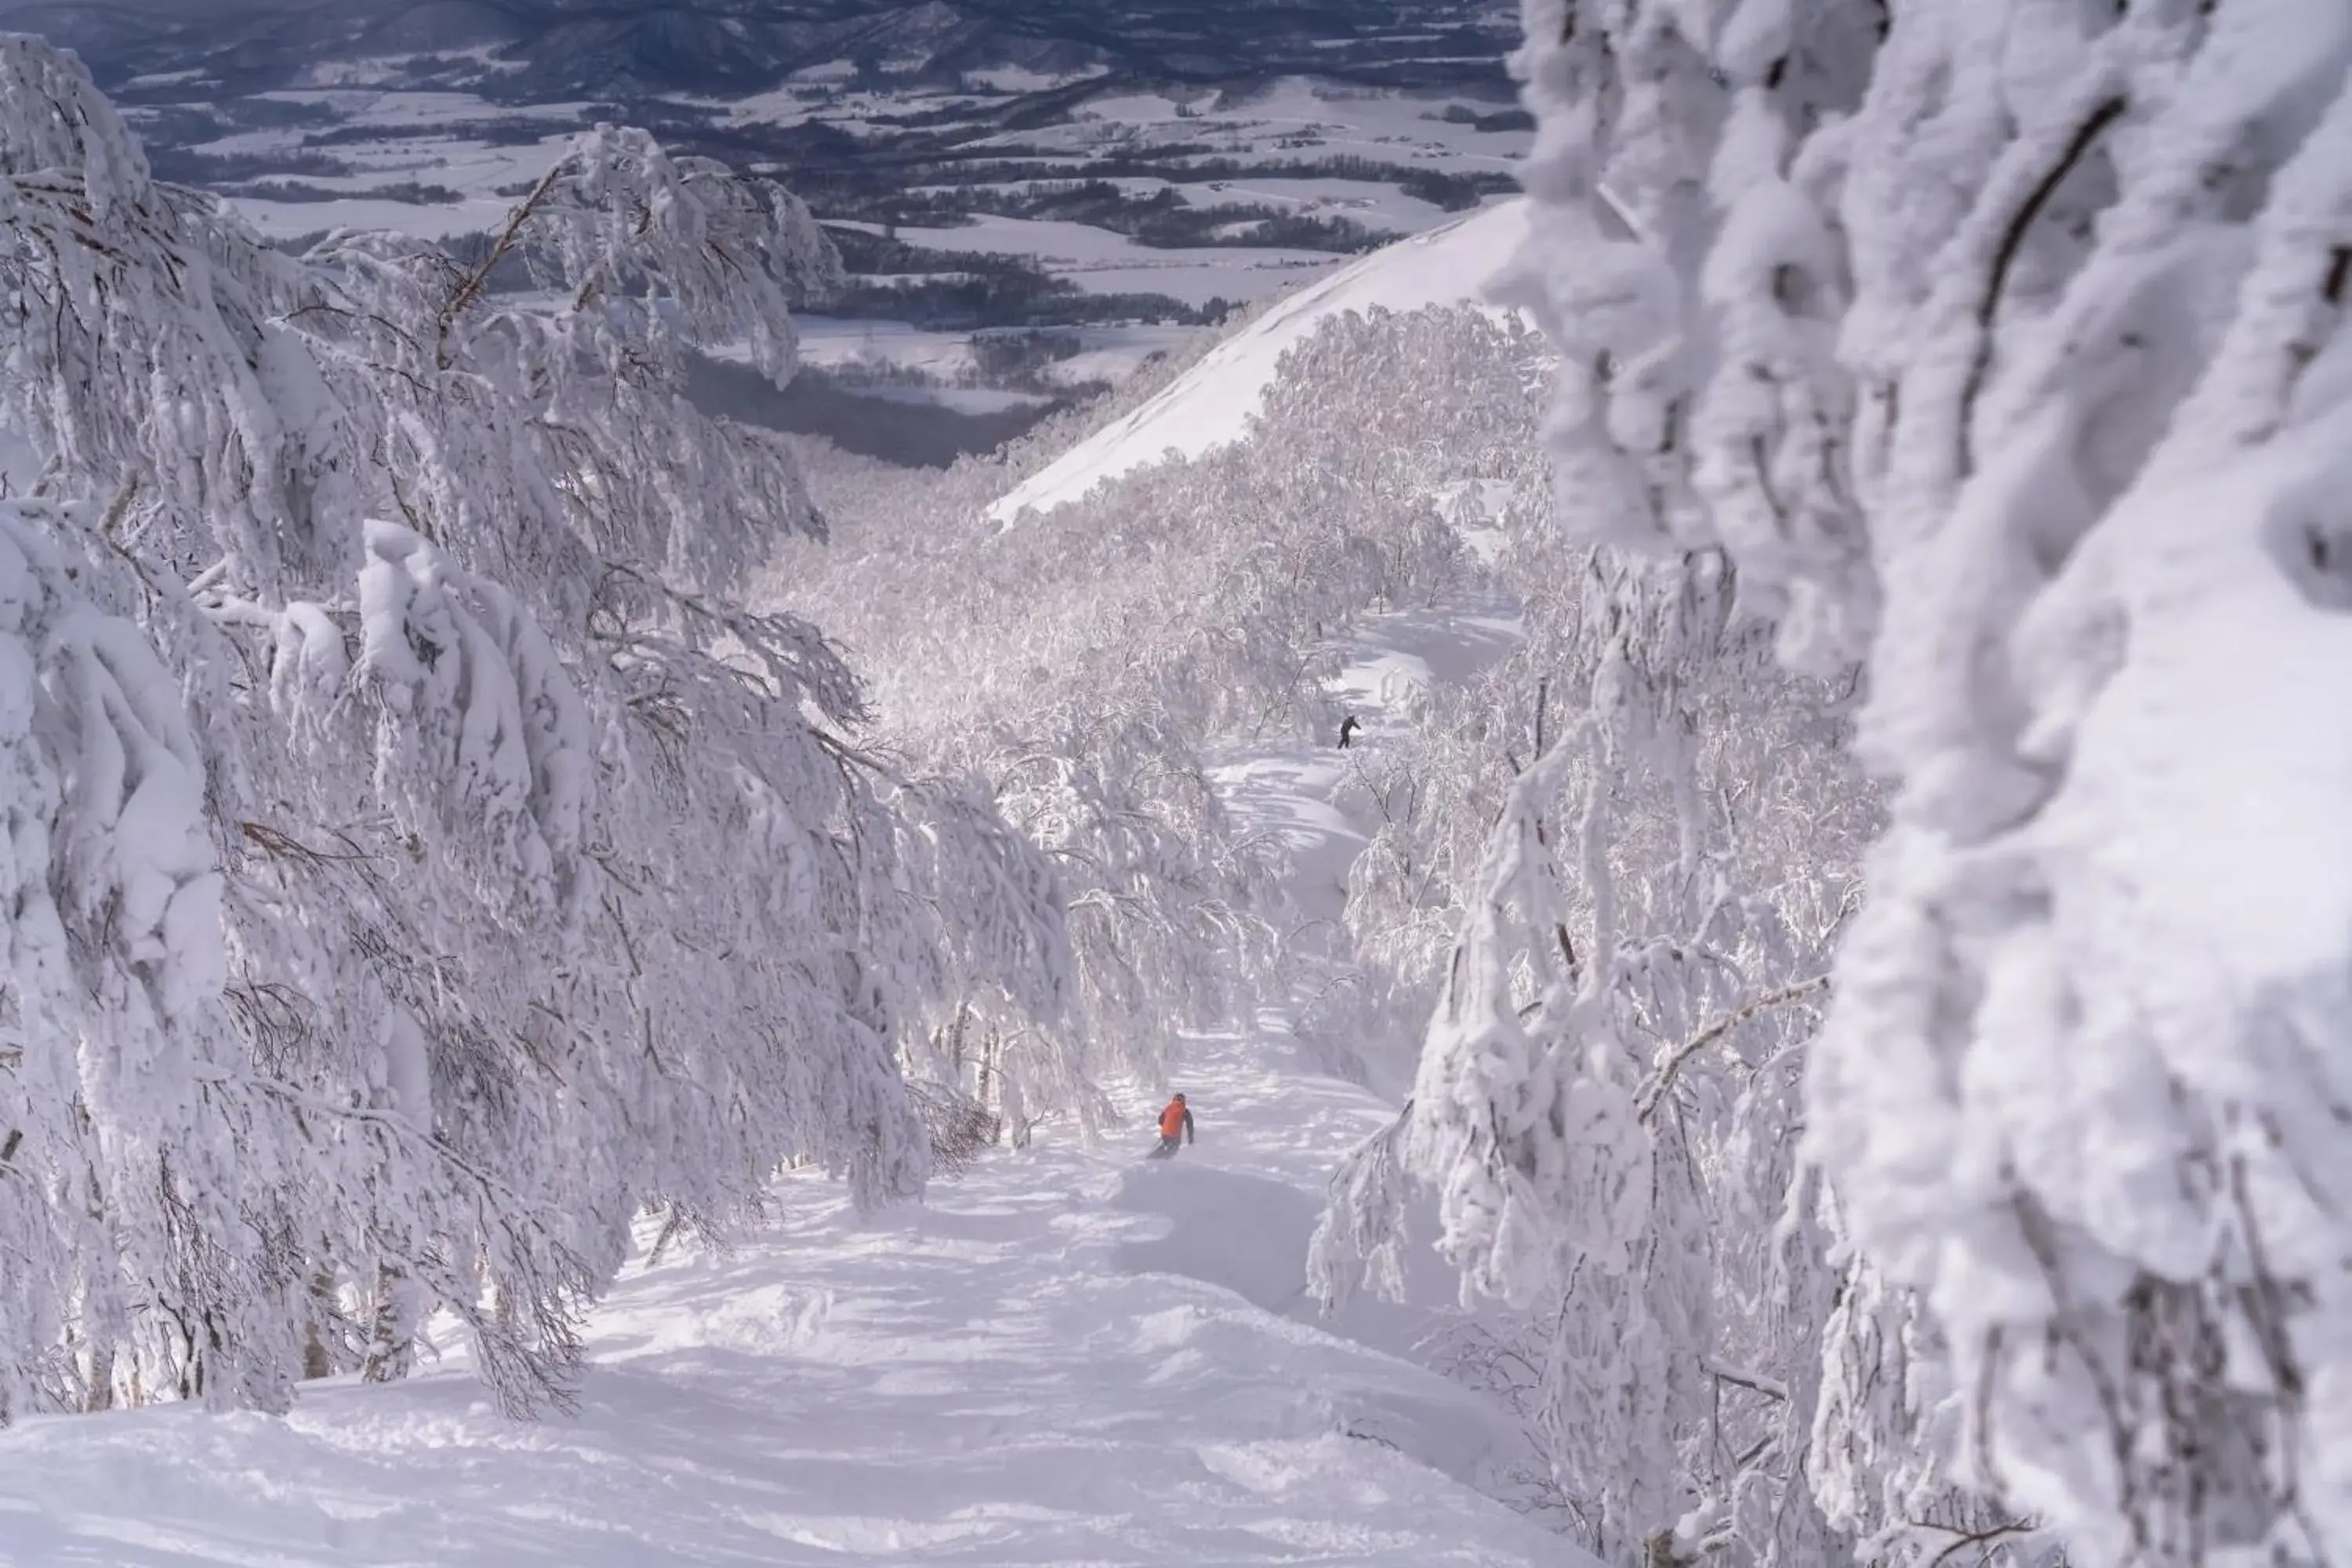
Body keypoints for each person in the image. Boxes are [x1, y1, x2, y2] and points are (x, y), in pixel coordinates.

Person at [1149, 1093, 1194, 1159]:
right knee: (1172, 1151)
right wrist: (1191, 1139)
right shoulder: (1184, 1111)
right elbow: (1190, 1126)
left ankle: (1153, 1158)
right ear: (1183, 1101)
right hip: (1175, 1135)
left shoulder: (1168, 1108)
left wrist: (1167, 1127)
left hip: (1165, 1134)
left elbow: (1160, 1121)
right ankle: (1165, 1161)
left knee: (1165, 1145)